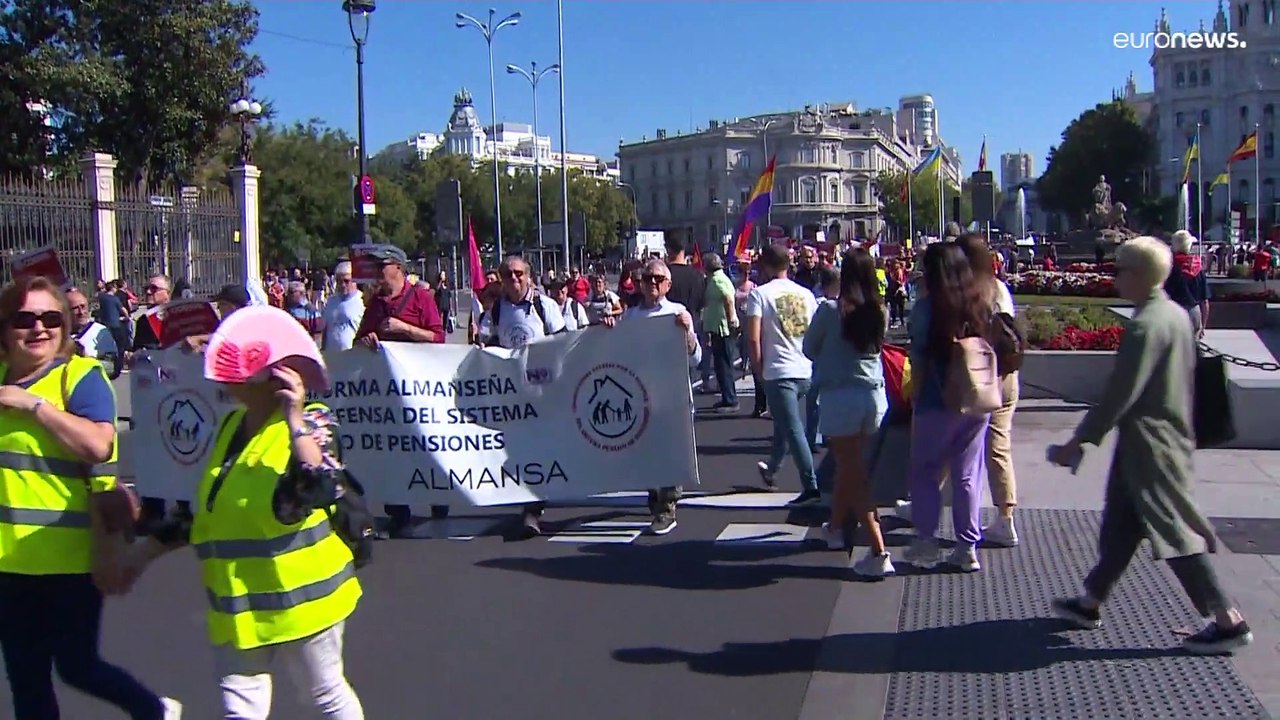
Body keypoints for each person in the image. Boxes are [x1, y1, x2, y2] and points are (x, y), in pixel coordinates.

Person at [129, 306, 365, 717]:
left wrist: (295, 419)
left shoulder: (314, 422)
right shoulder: (229, 427)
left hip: (304, 601)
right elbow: (210, 509)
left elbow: (321, 487)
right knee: (241, 704)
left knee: (324, 693)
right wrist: (141, 554)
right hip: (239, 602)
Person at [1048, 236, 1254, 655]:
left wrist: (1080, 441)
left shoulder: (1145, 325)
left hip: (1151, 446)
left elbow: (1120, 393)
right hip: (1155, 441)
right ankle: (1090, 600)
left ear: (1140, 275)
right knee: (1122, 527)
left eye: (1120, 269)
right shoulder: (1174, 315)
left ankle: (1227, 620)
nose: (1114, 276)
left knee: (1174, 532)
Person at [0, 276, 182, 720]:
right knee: (26, 682)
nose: (39, 329)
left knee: (78, 668)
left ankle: (154, 710)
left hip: (71, 559)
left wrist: (33, 406)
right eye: (25, 319)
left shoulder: (78, 377)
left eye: (51, 319)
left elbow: (99, 446)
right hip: (8, 564)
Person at [802, 249, 893, 576]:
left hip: (840, 396)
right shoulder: (878, 311)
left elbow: (809, 348)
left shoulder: (830, 311)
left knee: (854, 475)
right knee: (849, 466)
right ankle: (835, 527)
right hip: (873, 396)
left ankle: (878, 550)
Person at [905, 241, 991, 572]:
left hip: (936, 399)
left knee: (925, 472)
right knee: (968, 474)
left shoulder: (928, 308)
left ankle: (925, 542)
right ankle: (967, 546)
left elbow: (921, 356)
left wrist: (915, 391)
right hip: (975, 398)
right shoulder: (978, 303)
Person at [601, 259, 700, 535]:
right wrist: (609, 329)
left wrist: (688, 333)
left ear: (668, 285)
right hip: (642, 397)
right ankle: (656, 497)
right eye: (647, 279)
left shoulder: (677, 313)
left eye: (658, 279)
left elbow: (696, 357)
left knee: (670, 452)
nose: (652, 284)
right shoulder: (631, 317)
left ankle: (667, 507)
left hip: (672, 396)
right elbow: (617, 354)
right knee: (648, 452)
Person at [355, 244, 447, 533]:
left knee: (424, 443)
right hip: (387, 392)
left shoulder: (420, 297)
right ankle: (397, 505)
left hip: (421, 388)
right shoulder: (375, 305)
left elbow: (438, 337)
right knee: (392, 445)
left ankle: (436, 492)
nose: (378, 274)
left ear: (397, 267)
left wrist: (405, 329)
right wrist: (365, 341)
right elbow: (357, 342)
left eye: (382, 267)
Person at [478, 256, 567, 538]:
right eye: (507, 274)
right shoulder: (495, 312)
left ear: (529, 276)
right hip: (512, 395)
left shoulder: (545, 306)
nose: (513, 279)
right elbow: (483, 343)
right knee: (521, 450)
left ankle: (535, 505)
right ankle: (530, 506)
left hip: (543, 391)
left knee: (544, 448)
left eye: (518, 274)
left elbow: (564, 340)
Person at [956, 234, 1021, 547]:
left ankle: (924, 502)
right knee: (999, 444)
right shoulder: (1000, 288)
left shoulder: (969, 292)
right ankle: (1006, 516)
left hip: (980, 373)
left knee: (954, 440)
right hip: (1008, 372)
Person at [745, 244, 820, 505]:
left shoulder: (759, 295)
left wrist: (758, 370)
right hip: (805, 367)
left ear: (764, 266)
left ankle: (810, 485)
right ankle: (772, 468)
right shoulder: (807, 294)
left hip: (778, 370)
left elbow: (753, 338)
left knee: (792, 427)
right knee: (784, 423)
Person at [701, 253, 739, 412]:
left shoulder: (717, 280)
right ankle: (726, 397)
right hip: (718, 327)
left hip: (723, 328)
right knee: (720, 365)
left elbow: (728, 299)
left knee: (724, 365)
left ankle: (730, 400)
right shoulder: (719, 278)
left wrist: (731, 320)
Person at [1164, 230, 1209, 339]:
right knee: (1192, 351)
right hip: (1194, 312)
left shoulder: (1170, 266)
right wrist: (1203, 326)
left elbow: (1164, 295)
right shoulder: (1198, 267)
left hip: (1175, 312)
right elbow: (1205, 301)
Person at [322, 262, 365, 351]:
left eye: (346, 281)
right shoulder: (331, 301)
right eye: (339, 281)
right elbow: (326, 329)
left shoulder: (362, 301)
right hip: (332, 356)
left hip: (354, 355)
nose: (342, 285)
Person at [67, 287, 118, 361]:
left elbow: (112, 365)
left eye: (83, 307)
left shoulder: (100, 331)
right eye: (75, 308)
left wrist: (87, 361)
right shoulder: (57, 335)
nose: (81, 312)